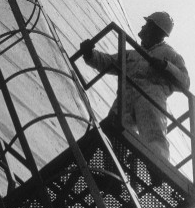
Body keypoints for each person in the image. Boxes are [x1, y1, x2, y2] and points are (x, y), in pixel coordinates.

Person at [80, 12, 189, 160]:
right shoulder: (133, 53)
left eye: (147, 24)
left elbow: (185, 81)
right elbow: (108, 62)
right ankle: (111, 164)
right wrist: (90, 54)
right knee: (115, 131)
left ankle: (157, 167)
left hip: (151, 97)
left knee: (153, 133)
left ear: (155, 30)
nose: (143, 27)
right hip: (126, 95)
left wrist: (165, 66)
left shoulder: (170, 54)